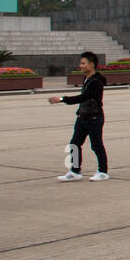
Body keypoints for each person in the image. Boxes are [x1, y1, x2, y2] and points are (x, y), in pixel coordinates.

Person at [48, 51, 109, 181]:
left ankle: (103, 171)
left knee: (96, 145)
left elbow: (83, 97)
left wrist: (61, 99)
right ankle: (75, 171)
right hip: (82, 117)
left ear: (91, 65)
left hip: (94, 118)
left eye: (83, 63)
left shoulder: (96, 82)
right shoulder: (87, 79)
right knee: (74, 144)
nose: (80, 65)